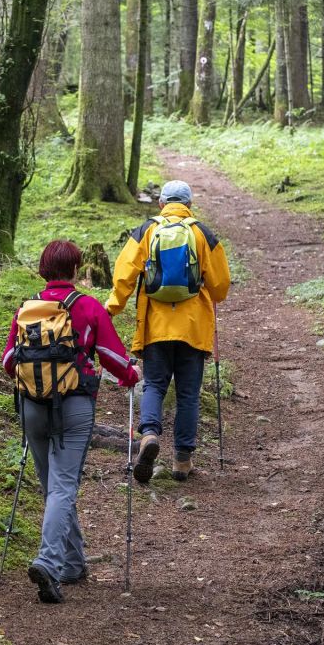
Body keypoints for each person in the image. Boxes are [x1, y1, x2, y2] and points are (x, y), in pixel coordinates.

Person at [1, 240, 141, 604]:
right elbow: (112, 356)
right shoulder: (87, 306)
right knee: (63, 486)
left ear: (43, 269)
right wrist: (131, 374)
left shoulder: (28, 308)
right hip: (74, 406)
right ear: (76, 269)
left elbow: (7, 361)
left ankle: (73, 562)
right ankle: (48, 561)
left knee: (54, 487)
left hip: (31, 406)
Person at [107, 180, 231, 483]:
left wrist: (110, 309)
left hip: (155, 327)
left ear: (161, 203)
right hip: (193, 328)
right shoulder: (202, 233)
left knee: (154, 386)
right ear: (189, 204)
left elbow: (124, 276)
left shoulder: (147, 230)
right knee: (188, 394)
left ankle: (149, 435)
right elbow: (220, 288)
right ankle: (182, 460)